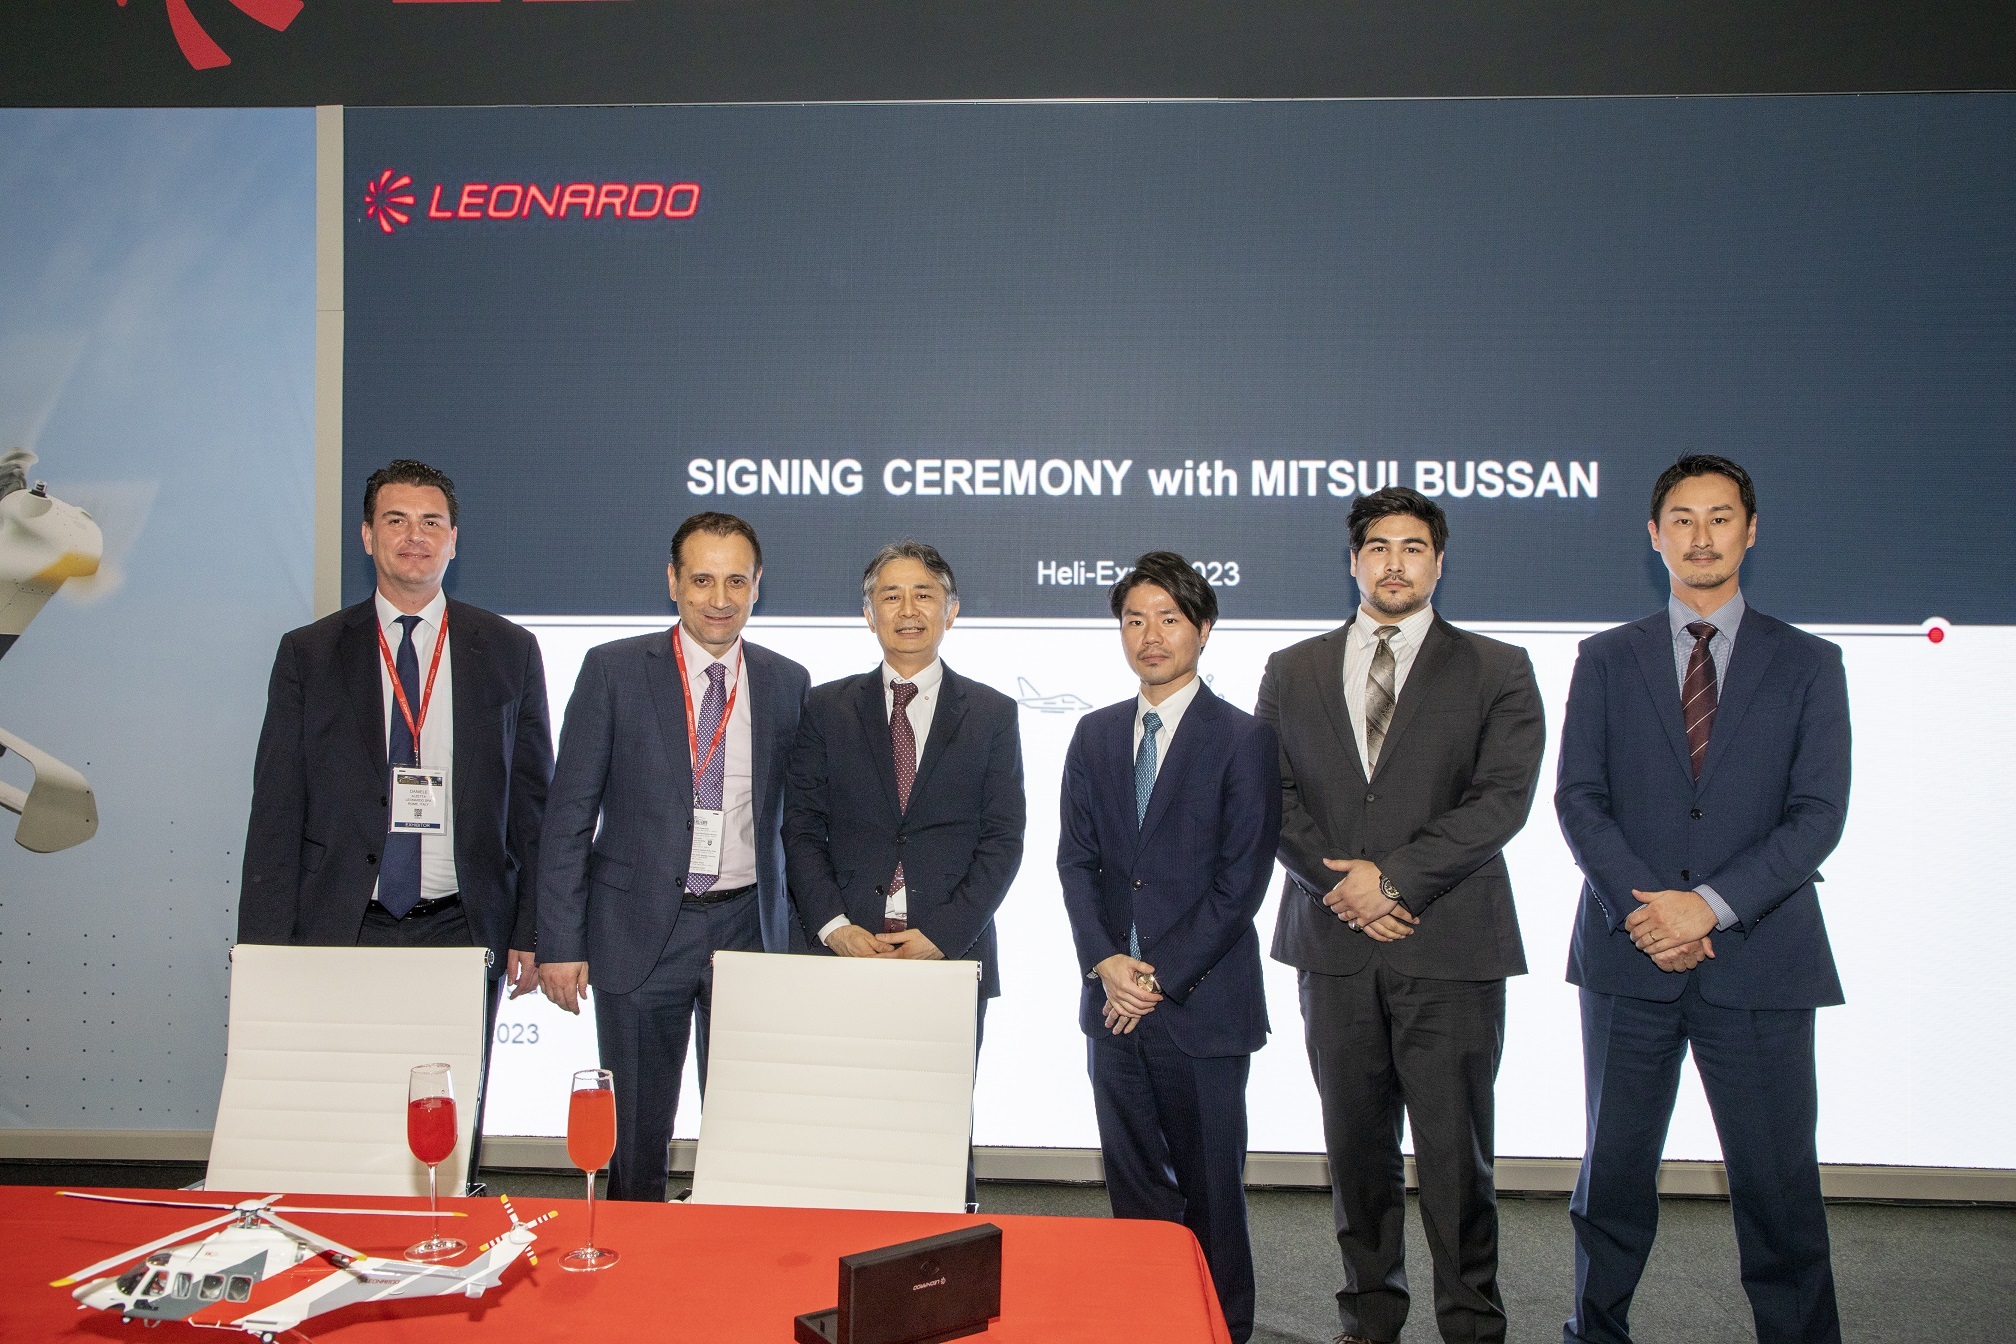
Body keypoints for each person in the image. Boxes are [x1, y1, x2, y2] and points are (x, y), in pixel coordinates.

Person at [1557, 456, 1850, 1344]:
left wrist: (1708, 906)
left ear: (1750, 532)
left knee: (1778, 1187)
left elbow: (1817, 815)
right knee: (1612, 1180)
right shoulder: (1605, 659)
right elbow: (1580, 799)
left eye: (1720, 518)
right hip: (1629, 956)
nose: (1701, 536)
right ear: (1655, 536)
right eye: (1682, 519)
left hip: (1760, 962)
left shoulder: (1810, 663)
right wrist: (1650, 912)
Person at [1257, 486, 1545, 1344]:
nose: (1395, 563)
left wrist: (1393, 883)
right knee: (1356, 1154)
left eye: (1413, 547)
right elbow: (1269, 797)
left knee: (1458, 1161)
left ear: (1438, 562)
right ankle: (1369, 1318)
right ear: (1353, 561)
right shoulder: (1293, 669)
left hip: (1449, 943)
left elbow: (1501, 800)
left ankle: (1471, 1325)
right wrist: (1343, 888)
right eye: (1378, 547)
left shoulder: (1497, 668)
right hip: (1333, 946)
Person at [240, 458, 553, 1181]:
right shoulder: (310, 653)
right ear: (367, 535)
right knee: (342, 1116)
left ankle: (447, 1230)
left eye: (431, 522)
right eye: (396, 520)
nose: (415, 536)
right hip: (342, 922)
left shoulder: (508, 649)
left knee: (450, 1117)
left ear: (454, 540)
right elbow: (276, 808)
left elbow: (533, 802)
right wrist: (263, 949)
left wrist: (533, 928)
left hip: (461, 924)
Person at [536, 512, 810, 1203]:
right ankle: (631, 1255)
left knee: (746, 1131)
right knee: (635, 1136)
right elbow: (569, 815)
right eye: (702, 580)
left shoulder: (787, 681)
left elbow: (799, 823)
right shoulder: (614, 670)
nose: (720, 598)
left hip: (748, 930)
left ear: (758, 586)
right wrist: (559, 941)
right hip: (639, 933)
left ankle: (732, 1257)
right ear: (672, 582)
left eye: (736, 581)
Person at [1057, 552, 1279, 1344]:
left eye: (1169, 618)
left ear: (1203, 628)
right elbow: (1076, 862)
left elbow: (1240, 883)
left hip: (1201, 1008)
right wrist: (1104, 962)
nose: (1150, 635)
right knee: (1136, 1193)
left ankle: (1224, 1330)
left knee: (1213, 1194)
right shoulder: (1093, 734)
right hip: (1111, 1007)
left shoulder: (1245, 738)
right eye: (1134, 620)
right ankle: (1150, 1325)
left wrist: (1155, 977)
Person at [783, 540, 1025, 1203]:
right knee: (844, 1123)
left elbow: (1003, 839)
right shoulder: (824, 708)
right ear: (869, 614)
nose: (908, 609)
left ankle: (945, 1251)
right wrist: (833, 926)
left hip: (948, 954)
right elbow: (801, 828)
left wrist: (944, 934)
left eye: (924, 595)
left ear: (952, 610)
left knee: (938, 1127)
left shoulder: (992, 714)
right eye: (890, 596)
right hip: (845, 949)